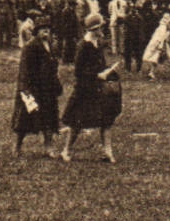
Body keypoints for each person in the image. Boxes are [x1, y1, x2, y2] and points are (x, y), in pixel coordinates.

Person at [59, 14, 121, 163]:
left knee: (106, 120)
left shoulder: (97, 42)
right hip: (85, 88)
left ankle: (108, 152)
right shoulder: (83, 45)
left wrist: (108, 71)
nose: (103, 30)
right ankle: (66, 150)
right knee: (77, 122)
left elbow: (100, 64)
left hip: (99, 88)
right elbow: (78, 72)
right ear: (95, 28)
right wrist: (97, 75)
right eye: (101, 27)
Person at [12, 16, 61, 157]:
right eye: (43, 30)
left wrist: (56, 82)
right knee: (24, 119)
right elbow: (24, 69)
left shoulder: (50, 46)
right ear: (36, 31)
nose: (46, 32)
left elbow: (53, 66)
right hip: (33, 87)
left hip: (48, 88)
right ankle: (17, 146)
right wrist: (24, 89)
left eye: (48, 30)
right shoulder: (30, 46)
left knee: (50, 118)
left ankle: (49, 147)